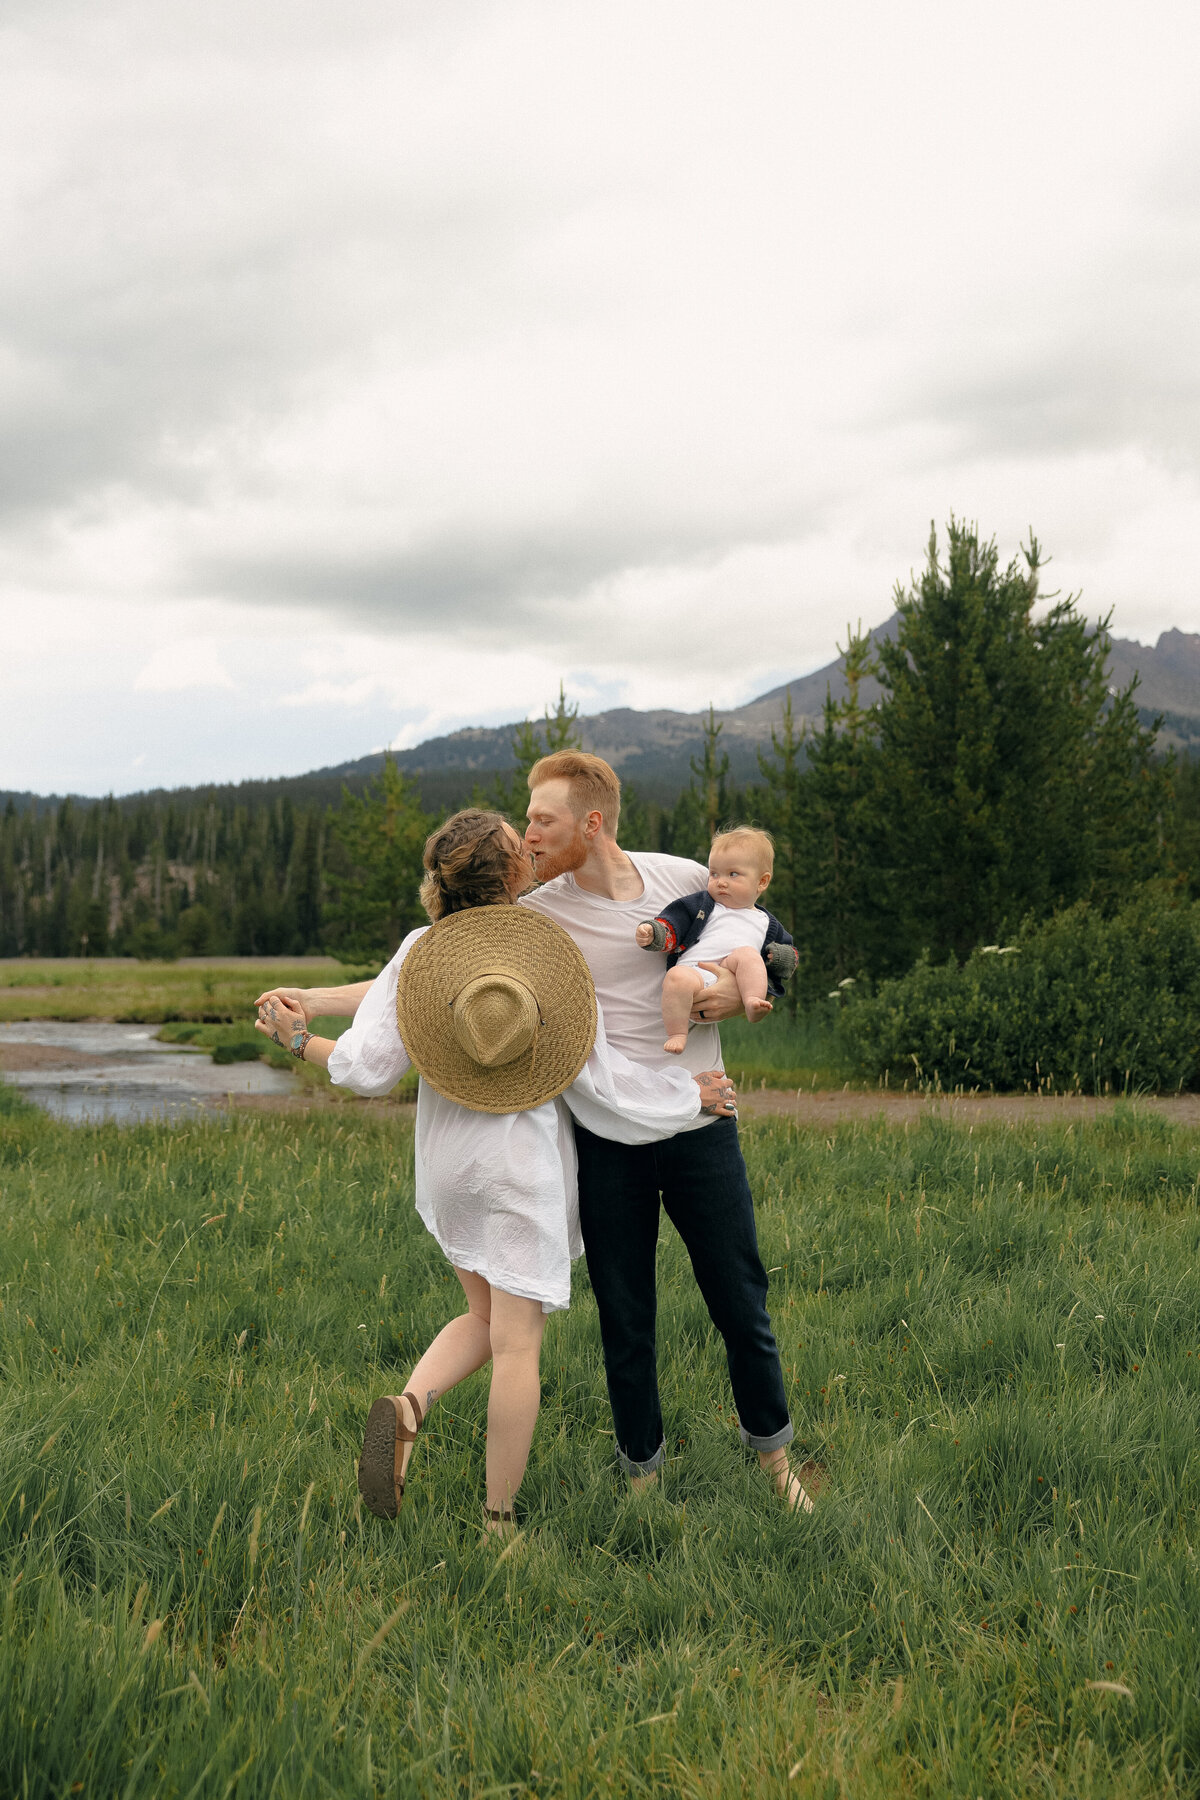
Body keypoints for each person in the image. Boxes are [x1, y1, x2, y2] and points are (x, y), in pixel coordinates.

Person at [255, 809, 735, 1536]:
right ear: (512, 874)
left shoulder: (424, 950)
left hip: (449, 1165)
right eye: (522, 845)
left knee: (483, 1318)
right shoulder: (541, 949)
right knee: (517, 1344)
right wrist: (684, 1094)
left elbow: (368, 1067)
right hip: (520, 1167)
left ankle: (410, 1407)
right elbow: (595, 1074)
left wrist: (301, 1040)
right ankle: (499, 1520)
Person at [520, 754, 812, 1510]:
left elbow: (779, 955)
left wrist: (728, 990)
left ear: (593, 823)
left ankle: (776, 1468)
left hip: (701, 1124)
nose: (528, 834)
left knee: (740, 1300)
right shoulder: (541, 911)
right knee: (626, 1314)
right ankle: (642, 1478)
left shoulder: (686, 877)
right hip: (606, 1136)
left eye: (541, 819)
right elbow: (428, 958)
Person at [634, 825, 796, 1052]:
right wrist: (656, 933)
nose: (721, 881)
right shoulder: (704, 905)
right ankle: (677, 1033)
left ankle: (751, 1002)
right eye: (714, 874)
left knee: (748, 956)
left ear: (762, 882)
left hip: (733, 974)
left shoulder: (766, 922)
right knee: (675, 977)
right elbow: (676, 920)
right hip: (695, 973)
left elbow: (789, 953)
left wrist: (778, 957)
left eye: (733, 874)